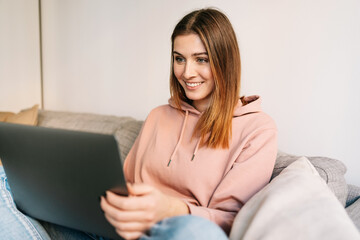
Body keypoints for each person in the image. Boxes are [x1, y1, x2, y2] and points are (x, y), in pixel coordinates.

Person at [0, 8, 277, 240]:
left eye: (201, 60)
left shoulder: (257, 130)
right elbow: (125, 184)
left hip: (174, 233)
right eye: (179, 59)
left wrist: (168, 208)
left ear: (225, 61)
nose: (186, 72)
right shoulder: (158, 116)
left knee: (197, 233)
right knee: (3, 180)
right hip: (117, 231)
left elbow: (230, 222)